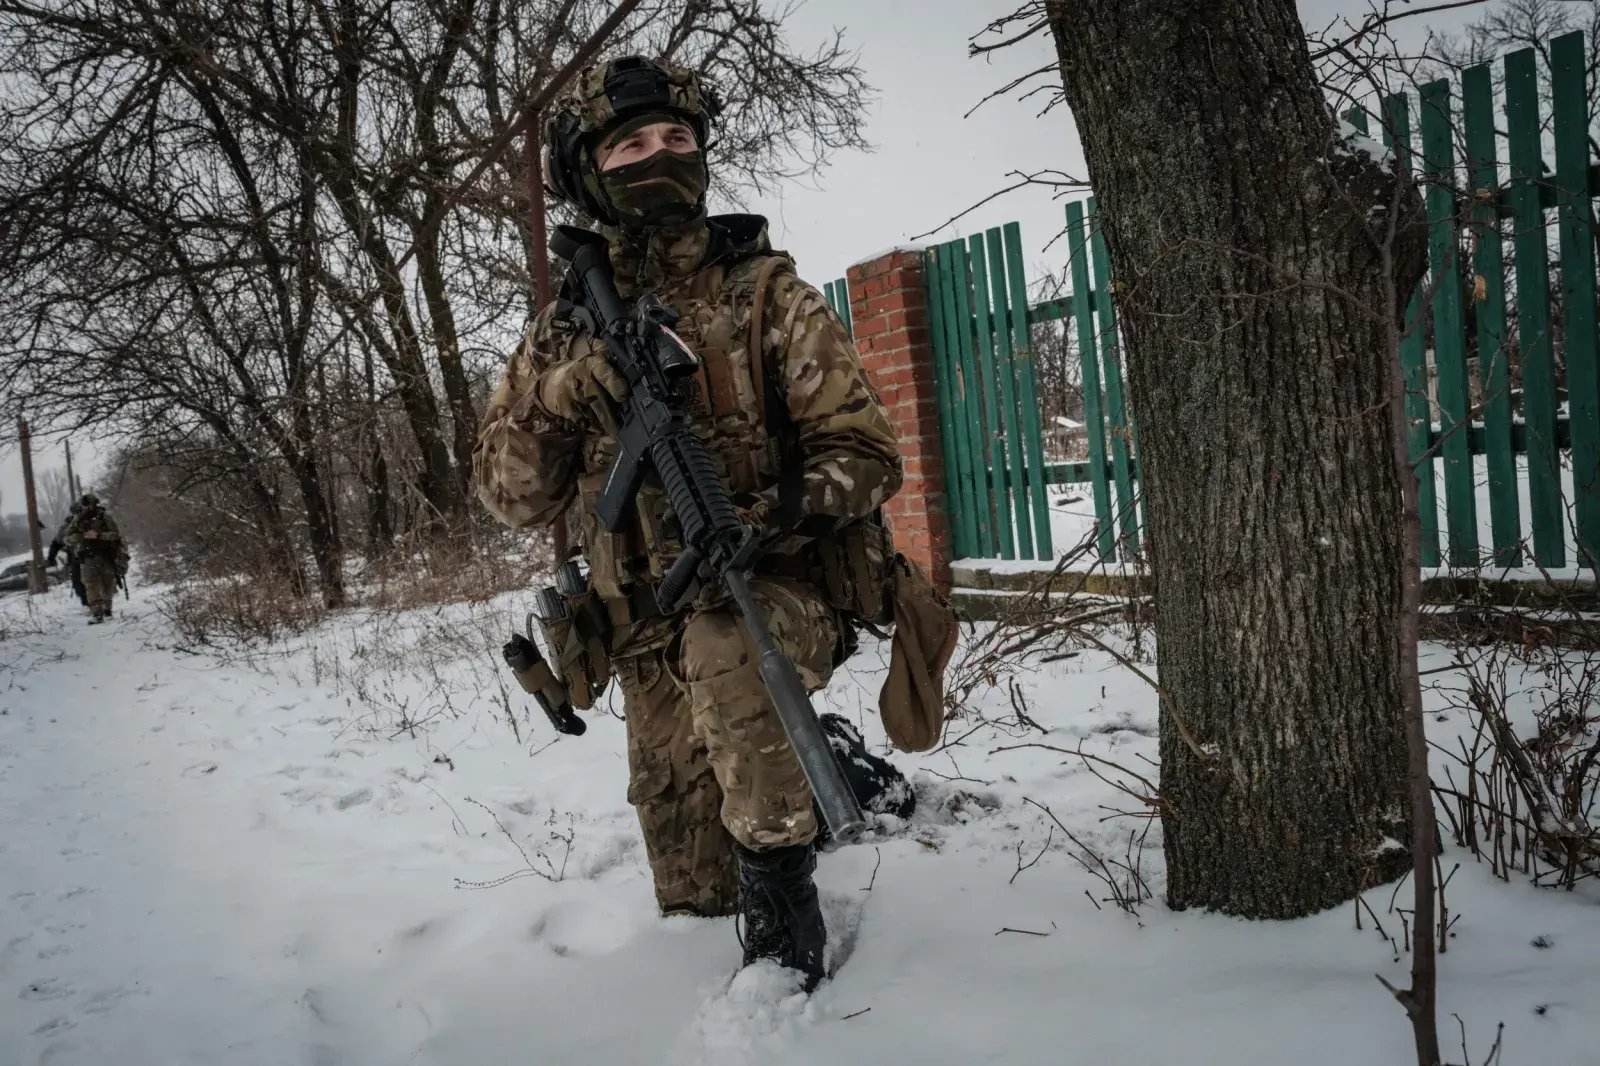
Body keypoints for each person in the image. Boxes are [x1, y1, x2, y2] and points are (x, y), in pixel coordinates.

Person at [474, 57, 905, 990]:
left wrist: (771, 513)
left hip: (773, 594)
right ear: (590, 172)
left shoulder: (766, 295)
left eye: (677, 138)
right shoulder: (559, 333)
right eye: (630, 144)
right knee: (696, 897)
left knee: (727, 650)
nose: (659, 155)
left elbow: (869, 455)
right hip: (642, 631)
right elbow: (510, 499)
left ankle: (786, 918)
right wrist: (557, 399)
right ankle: (826, 761)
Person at [64, 493, 124, 623]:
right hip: (88, 557)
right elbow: (67, 537)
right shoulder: (78, 520)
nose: (86, 508)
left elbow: (115, 535)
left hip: (106, 556)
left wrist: (99, 535)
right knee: (91, 585)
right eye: (84, 505)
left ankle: (107, 608)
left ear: (94, 504)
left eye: (89, 505)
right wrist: (80, 537)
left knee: (107, 583)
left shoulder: (104, 517)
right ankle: (97, 613)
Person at [46, 502, 87, 605]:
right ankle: (86, 600)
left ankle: (90, 600)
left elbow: (55, 544)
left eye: (79, 511)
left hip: (88, 556)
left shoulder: (90, 522)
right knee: (78, 581)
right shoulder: (67, 527)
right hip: (76, 557)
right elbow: (56, 543)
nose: (79, 513)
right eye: (77, 511)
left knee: (83, 580)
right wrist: (51, 558)